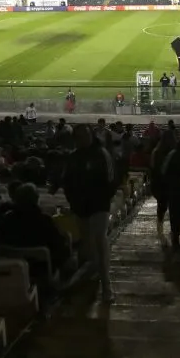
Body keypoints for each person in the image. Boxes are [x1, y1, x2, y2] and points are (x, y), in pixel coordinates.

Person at [52, 125, 116, 303]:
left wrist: (101, 201)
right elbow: (67, 182)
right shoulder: (73, 157)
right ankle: (90, 281)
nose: (81, 140)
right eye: (78, 137)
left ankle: (106, 287)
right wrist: (74, 203)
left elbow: (110, 181)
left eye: (84, 135)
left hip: (98, 207)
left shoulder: (101, 154)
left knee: (100, 243)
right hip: (81, 209)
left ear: (90, 135)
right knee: (88, 247)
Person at [0, 183, 70, 278]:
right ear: (36, 199)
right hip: (42, 271)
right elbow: (58, 247)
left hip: (13, 272)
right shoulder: (45, 221)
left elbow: (1, 243)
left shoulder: (6, 220)